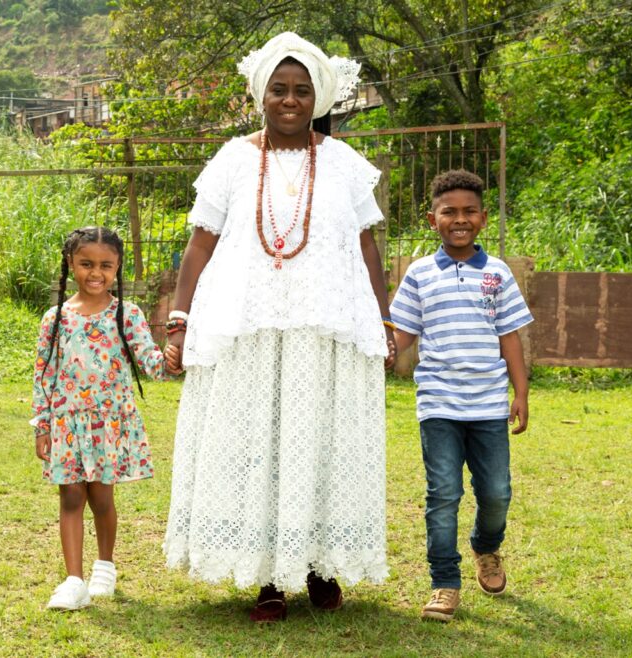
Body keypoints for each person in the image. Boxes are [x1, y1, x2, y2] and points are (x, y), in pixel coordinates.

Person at [161, 32, 397, 623]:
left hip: (325, 331)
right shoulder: (233, 159)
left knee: (321, 441)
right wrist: (180, 320)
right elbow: (199, 245)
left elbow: (366, 246)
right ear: (260, 95)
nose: (290, 100)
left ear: (317, 98)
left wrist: (383, 316)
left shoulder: (344, 163)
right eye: (279, 89)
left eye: (301, 91)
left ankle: (317, 566)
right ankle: (268, 578)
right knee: (255, 446)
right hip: (249, 331)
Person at [389, 170, 533, 622]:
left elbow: (510, 336)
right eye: (449, 211)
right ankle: (444, 582)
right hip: (438, 404)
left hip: (488, 404)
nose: (459, 219)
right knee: (443, 493)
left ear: (483, 218)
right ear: (432, 219)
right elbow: (404, 336)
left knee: (497, 493)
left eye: (469, 211)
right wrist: (383, 352)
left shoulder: (498, 272)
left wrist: (521, 392)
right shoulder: (418, 274)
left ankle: (486, 548)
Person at [30, 226, 175, 611]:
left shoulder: (126, 313)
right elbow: (43, 373)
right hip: (66, 421)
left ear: (117, 268)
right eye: (86, 264)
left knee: (101, 497)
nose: (96, 273)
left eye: (106, 266)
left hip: (109, 422)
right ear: (70, 264)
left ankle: (104, 566)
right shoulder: (55, 318)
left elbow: (151, 362)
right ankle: (73, 581)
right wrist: (42, 424)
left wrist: (176, 358)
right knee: (71, 495)